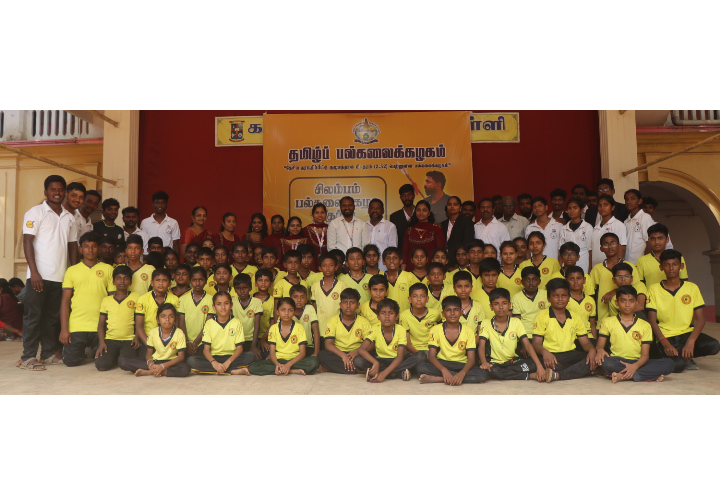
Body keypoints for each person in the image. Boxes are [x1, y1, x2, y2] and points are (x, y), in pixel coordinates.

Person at [19, 175, 78, 371]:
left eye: (60, 189)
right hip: (39, 276)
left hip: (60, 277)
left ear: (65, 192)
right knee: (33, 317)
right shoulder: (35, 212)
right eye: (53, 189)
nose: (57, 193)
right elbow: (28, 242)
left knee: (51, 318)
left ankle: (47, 354)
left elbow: (73, 247)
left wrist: (74, 274)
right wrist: (34, 272)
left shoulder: (69, 217)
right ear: (46, 192)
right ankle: (28, 357)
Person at [646, 249, 720, 372]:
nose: (671, 268)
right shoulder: (654, 289)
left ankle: (683, 354)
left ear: (681, 266)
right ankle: (680, 357)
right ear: (661, 267)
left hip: (686, 334)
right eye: (667, 265)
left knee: (714, 345)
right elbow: (652, 320)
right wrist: (665, 344)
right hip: (666, 336)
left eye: (675, 264)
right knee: (678, 366)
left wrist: (691, 341)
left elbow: (701, 319)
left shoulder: (692, 288)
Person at [596, 285, 674, 383]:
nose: (627, 304)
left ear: (636, 303)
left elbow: (645, 355)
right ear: (617, 303)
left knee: (669, 363)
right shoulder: (608, 321)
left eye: (631, 301)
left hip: (639, 362)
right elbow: (600, 345)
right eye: (623, 301)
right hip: (617, 361)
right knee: (606, 362)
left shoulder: (645, 325)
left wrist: (635, 366)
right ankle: (647, 375)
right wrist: (600, 350)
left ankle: (623, 376)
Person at [60, 231, 114, 367]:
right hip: (77, 326)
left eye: (94, 246)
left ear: (99, 249)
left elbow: (113, 300)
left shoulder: (108, 269)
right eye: (86, 246)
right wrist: (64, 329)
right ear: (80, 249)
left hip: (100, 326)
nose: (90, 250)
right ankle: (84, 350)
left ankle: (91, 350)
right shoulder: (72, 270)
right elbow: (65, 301)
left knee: (104, 363)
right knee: (71, 362)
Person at [532, 278, 597, 382]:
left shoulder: (575, 317)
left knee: (596, 359)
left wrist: (592, 350)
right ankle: (575, 371)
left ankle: (557, 375)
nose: (560, 299)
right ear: (548, 298)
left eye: (564, 295)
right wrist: (545, 352)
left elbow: (585, 343)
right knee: (546, 363)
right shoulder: (541, 317)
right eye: (556, 296)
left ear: (569, 298)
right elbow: (536, 343)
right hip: (551, 355)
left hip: (571, 354)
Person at [478, 288, 546, 381]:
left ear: (510, 305)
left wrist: (539, 366)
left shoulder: (516, 322)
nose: (501, 307)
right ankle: (529, 376)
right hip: (494, 363)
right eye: (496, 304)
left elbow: (527, 345)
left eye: (504, 303)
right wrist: (484, 362)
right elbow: (481, 346)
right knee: (491, 370)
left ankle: (505, 373)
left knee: (533, 365)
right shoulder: (486, 323)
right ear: (491, 307)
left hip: (513, 362)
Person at [417, 296, 486, 385]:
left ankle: (439, 379)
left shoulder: (469, 331)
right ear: (443, 313)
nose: (452, 313)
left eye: (456, 310)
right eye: (448, 310)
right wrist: (444, 370)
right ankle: (452, 377)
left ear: (461, 312)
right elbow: (431, 356)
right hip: (442, 363)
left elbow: (471, 359)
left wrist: (462, 373)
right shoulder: (435, 329)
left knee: (483, 374)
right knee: (421, 366)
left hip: (461, 364)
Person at [186, 291, 259, 374]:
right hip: (214, 357)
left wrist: (228, 362)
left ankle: (211, 370)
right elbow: (206, 350)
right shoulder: (209, 323)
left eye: (226, 303)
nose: (223, 307)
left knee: (251, 356)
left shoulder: (237, 322)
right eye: (219, 304)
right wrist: (214, 363)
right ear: (214, 307)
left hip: (232, 357)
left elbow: (240, 349)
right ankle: (232, 371)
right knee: (191, 360)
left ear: (231, 305)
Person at [248, 297, 319, 376]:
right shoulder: (273, 328)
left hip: (294, 360)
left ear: (294, 312)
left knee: (313, 362)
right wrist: (277, 364)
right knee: (253, 367)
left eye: (290, 310)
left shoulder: (299, 328)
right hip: (279, 359)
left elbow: (302, 353)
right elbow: (272, 353)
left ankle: (283, 369)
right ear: (277, 312)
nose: (286, 313)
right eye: (283, 310)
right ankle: (291, 371)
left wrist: (289, 364)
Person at [118, 303, 190, 377]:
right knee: (123, 361)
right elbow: (149, 353)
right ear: (157, 319)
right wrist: (151, 364)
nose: (167, 319)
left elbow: (181, 357)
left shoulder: (179, 333)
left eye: (171, 316)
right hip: (155, 361)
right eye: (163, 316)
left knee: (185, 369)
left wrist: (162, 366)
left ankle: (151, 372)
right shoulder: (153, 332)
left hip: (170, 363)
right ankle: (156, 370)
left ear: (175, 319)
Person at [356, 298, 418, 381]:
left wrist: (383, 374)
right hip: (381, 360)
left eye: (391, 313)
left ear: (396, 317)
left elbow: (400, 357)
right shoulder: (375, 329)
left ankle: (378, 373)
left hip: (397, 360)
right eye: (383, 313)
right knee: (358, 360)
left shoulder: (401, 330)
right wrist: (375, 362)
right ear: (378, 316)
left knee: (421, 356)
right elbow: (361, 350)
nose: (387, 316)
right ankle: (398, 373)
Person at [95, 265, 141, 371]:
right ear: (113, 282)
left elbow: (140, 321)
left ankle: (118, 356)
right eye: (119, 278)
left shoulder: (136, 297)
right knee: (101, 365)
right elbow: (101, 324)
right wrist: (102, 343)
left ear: (130, 282)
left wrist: (137, 336)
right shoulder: (106, 300)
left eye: (126, 278)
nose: (122, 281)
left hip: (129, 340)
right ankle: (114, 356)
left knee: (126, 363)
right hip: (110, 340)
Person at [317, 288, 372, 374]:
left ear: (358, 305)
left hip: (357, 354)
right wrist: (343, 356)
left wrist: (357, 352)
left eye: (352, 302)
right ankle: (356, 370)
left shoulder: (363, 322)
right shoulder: (333, 321)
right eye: (345, 302)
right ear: (340, 305)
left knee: (360, 361)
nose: (348, 306)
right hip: (338, 353)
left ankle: (335, 368)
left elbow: (371, 344)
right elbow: (328, 344)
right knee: (322, 356)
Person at [589, 232, 641, 321]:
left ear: (619, 246)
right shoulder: (597, 269)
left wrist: (616, 291)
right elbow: (591, 294)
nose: (610, 247)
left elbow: (636, 289)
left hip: (628, 320)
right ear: (601, 249)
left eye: (613, 243)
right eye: (606, 244)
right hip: (603, 318)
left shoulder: (630, 266)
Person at [135, 269, 180, 354]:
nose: (161, 283)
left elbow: (176, 325)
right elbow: (139, 327)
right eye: (158, 280)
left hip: (169, 341)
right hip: (147, 339)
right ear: (152, 283)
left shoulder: (175, 300)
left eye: (164, 280)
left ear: (170, 284)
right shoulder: (143, 299)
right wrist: (149, 345)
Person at [177, 266, 214, 357]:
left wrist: (195, 343)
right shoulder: (183, 299)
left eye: (201, 280)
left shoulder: (211, 300)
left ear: (206, 281)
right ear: (190, 281)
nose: (198, 283)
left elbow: (208, 324)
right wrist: (187, 342)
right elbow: (181, 322)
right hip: (185, 341)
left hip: (203, 341)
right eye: (194, 280)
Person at [399, 283, 443, 358]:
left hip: (431, 350)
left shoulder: (436, 314)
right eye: (415, 296)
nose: (419, 299)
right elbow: (407, 344)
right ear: (410, 299)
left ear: (427, 299)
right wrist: (420, 355)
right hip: (412, 352)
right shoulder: (404, 316)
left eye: (422, 296)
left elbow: (441, 333)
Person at [310, 253, 347, 339]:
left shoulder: (342, 285)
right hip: (320, 328)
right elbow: (314, 308)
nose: (327, 268)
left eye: (331, 265)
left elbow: (344, 308)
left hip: (337, 328)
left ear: (336, 267)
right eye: (324, 265)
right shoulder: (315, 286)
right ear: (320, 268)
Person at [231, 273, 264, 358]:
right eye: (238, 288)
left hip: (251, 340)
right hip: (235, 340)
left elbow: (257, 324)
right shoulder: (232, 302)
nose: (242, 291)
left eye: (244, 288)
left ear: (250, 288)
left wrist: (253, 345)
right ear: (234, 289)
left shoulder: (257, 302)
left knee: (254, 356)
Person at [590, 194, 627, 267]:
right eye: (600, 205)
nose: (602, 208)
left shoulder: (618, 225)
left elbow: (622, 248)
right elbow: (592, 250)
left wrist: (618, 268)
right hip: (596, 268)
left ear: (612, 207)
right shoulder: (596, 227)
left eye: (605, 205)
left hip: (611, 268)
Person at [511, 266, 548, 338]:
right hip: (525, 335)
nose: (531, 283)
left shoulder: (546, 295)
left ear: (539, 281)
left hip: (544, 333)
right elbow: (516, 321)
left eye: (534, 279)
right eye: (527, 280)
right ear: (522, 282)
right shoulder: (516, 298)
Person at [559, 197, 593, 272]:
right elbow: (560, 250)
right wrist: (560, 268)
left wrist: (590, 269)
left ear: (582, 210)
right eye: (570, 208)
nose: (572, 211)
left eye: (575, 208)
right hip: (567, 267)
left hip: (583, 265)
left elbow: (590, 251)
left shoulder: (587, 227)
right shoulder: (564, 229)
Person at [565, 266, 598, 340]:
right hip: (570, 336)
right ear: (566, 281)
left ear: (584, 280)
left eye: (579, 278)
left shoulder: (590, 300)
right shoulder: (564, 300)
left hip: (587, 336)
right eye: (572, 279)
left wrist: (595, 341)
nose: (576, 282)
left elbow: (592, 325)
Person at [623, 189, 654, 264]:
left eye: (632, 199)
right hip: (627, 263)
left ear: (640, 201)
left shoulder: (645, 217)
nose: (629, 202)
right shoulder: (626, 221)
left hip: (641, 263)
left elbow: (649, 241)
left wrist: (645, 261)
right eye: (627, 199)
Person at [441, 196, 475, 262]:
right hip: (445, 259)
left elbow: (468, 242)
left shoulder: (467, 223)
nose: (452, 206)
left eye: (455, 204)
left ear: (460, 207)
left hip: (460, 259)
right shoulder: (443, 224)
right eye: (449, 204)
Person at [290, 284, 321, 356]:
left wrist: (316, 352)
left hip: (308, 346)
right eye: (295, 297)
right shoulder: (287, 310)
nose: (299, 300)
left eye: (302, 297)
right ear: (290, 298)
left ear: (306, 300)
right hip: (291, 347)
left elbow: (316, 331)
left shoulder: (310, 308)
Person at [366, 199, 397, 269]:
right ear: (368, 210)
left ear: (383, 211)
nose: (375, 210)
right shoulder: (364, 226)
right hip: (366, 268)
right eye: (372, 208)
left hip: (383, 267)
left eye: (378, 208)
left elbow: (392, 249)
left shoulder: (390, 226)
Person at [382, 247, 413, 313]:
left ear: (401, 261)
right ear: (383, 262)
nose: (391, 261)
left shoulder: (409, 276)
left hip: (406, 315)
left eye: (395, 258)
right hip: (386, 316)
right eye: (388, 258)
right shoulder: (380, 277)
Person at [62, 182, 85, 265]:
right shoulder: (58, 215)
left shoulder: (81, 219)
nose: (78, 200)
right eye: (74, 196)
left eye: (81, 197)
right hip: (56, 263)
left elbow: (79, 245)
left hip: (72, 265)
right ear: (66, 195)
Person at [253, 269, 276, 356]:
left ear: (271, 283)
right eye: (260, 280)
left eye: (266, 280)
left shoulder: (274, 301)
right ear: (255, 283)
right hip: (250, 337)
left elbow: (273, 323)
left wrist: (263, 339)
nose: (263, 283)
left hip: (267, 336)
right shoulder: (250, 299)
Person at [390, 184, 416, 253]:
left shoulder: (421, 214)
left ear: (414, 195)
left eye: (409, 195)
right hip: (401, 254)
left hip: (419, 254)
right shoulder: (394, 217)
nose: (407, 198)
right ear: (400, 197)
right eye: (404, 195)